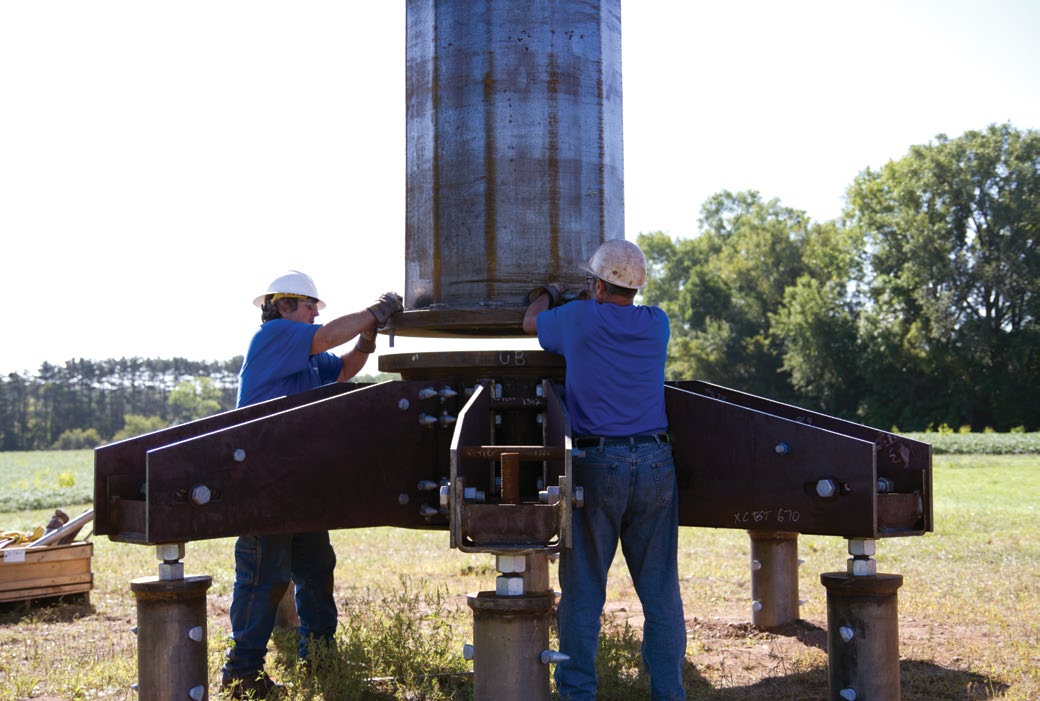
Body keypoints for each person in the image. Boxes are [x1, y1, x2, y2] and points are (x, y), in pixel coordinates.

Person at [220, 270, 403, 699]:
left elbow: (345, 369)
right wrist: (375, 311)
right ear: (284, 306)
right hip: (265, 480)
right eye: (309, 306)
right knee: (263, 575)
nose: (315, 314)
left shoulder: (306, 354)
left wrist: (368, 337)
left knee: (316, 569)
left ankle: (318, 658)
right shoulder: (275, 336)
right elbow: (326, 337)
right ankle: (242, 673)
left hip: (299, 482)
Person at [523, 240, 686, 701]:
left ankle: (578, 694)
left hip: (597, 464)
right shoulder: (657, 322)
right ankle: (669, 693)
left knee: (584, 590)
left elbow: (531, 322)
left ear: (596, 285)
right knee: (660, 592)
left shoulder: (577, 318)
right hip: (656, 461)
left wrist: (547, 294)